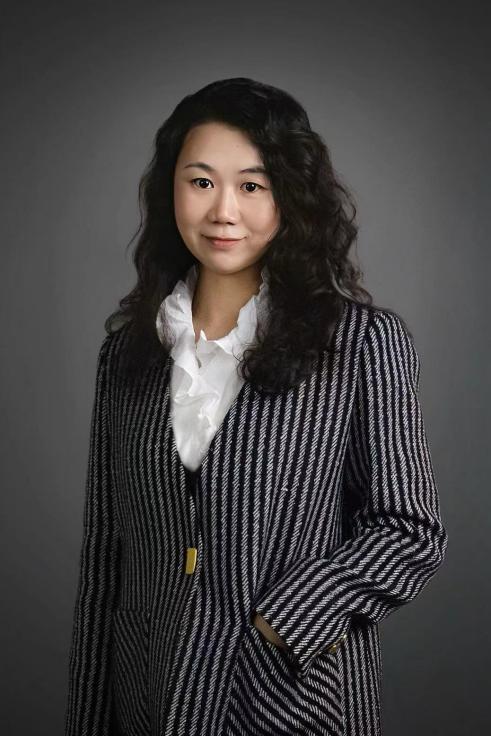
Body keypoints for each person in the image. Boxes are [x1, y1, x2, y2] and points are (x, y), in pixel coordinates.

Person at [64, 77, 448, 736]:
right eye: (201, 181)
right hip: (148, 698)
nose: (223, 211)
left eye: (252, 185)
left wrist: (287, 620)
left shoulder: (359, 343)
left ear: (289, 197)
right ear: (170, 190)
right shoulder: (127, 355)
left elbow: (408, 530)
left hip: (290, 699)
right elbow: (106, 563)